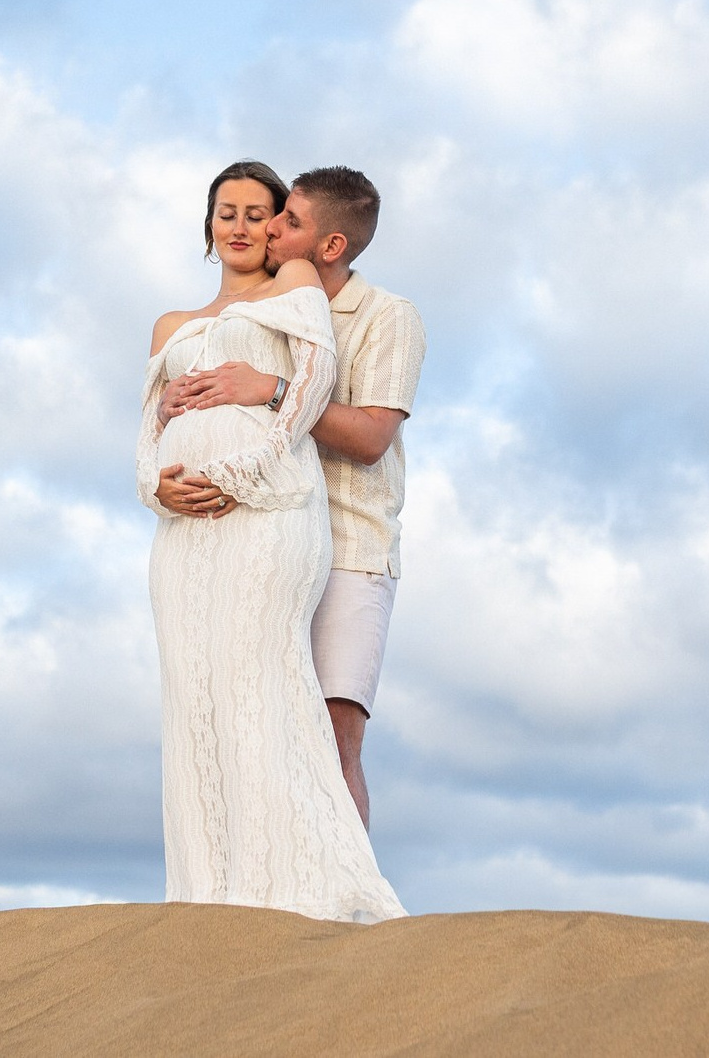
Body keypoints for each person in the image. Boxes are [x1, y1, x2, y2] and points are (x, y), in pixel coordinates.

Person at [137, 160, 405, 923]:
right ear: (207, 222)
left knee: (278, 697)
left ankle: (314, 896)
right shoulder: (169, 323)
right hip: (184, 535)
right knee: (196, 699)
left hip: (282, 517)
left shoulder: (302, 293)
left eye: (265, 213)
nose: (248, 226)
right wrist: (156, 486)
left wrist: (240, 472)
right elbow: (147, 430)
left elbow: (313, 393)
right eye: (230, 211)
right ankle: (208, 892)